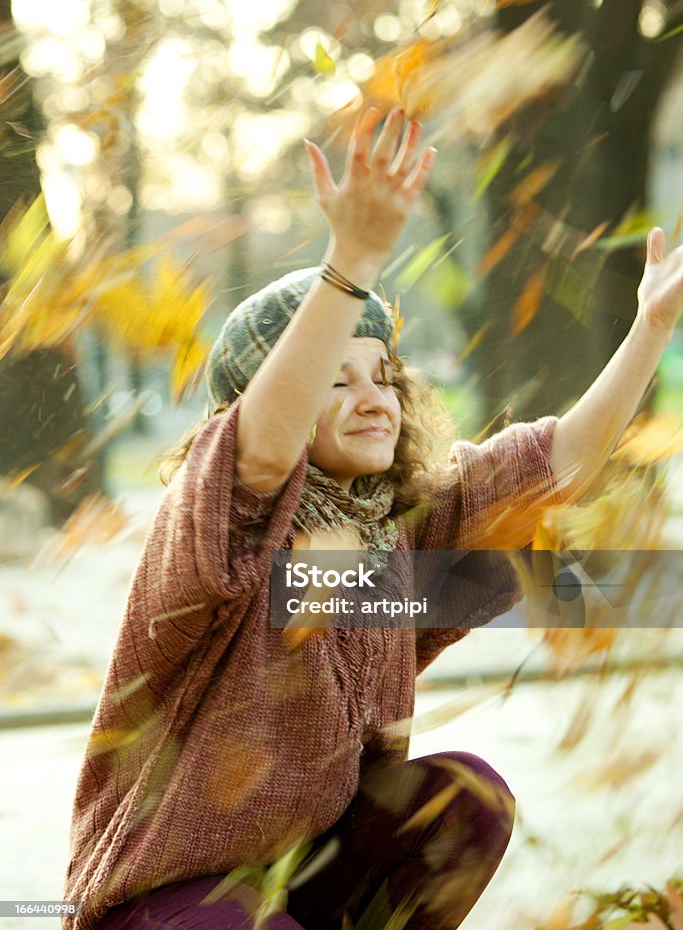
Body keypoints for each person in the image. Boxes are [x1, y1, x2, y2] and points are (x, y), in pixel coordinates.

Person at [62, 107, 683, 930]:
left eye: (382, 374)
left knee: (463, 798)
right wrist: (348, 263)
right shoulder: (219, 528)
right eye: (335, 377)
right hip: (163, 904)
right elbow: (258, 454)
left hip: (300, 883)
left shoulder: (394, 542)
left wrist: (650, 327)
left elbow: (556, 466)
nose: (372, 398)